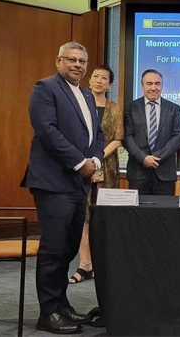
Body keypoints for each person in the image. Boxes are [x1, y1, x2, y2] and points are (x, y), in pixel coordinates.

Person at [23, 42, 103, 334]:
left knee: (68, 248)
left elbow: (97, 133)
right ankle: (48, 313)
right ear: (59, 61)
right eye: (71, 59)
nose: (77, 65)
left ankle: (61, 305)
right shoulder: (45, 88)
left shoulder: (86, 94)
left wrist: (95, 159)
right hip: (53, 182)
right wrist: (80, 163)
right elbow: (47, 131)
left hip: (79, 184)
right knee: (53, 248)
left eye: (82, 61)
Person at [69, 65, 123, 284]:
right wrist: (85, 162)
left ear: (110, 85)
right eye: (96, 77)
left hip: (107, 167)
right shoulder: (78, 104)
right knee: (83, 216)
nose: (99, 81)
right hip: (80, 166)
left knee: (103, 216)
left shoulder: (115, 109)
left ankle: (103, 263)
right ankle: (85, 264)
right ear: (89, 80)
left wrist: (97, 158)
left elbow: (118, 138)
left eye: (104, 78)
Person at [123, 69, 180, 195]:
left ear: (162, 86)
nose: (153, 88)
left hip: (165, 173)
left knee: (164, 208)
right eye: (149, 84)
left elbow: (177, 136)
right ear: (142, 86)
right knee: (137, 208)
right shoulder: (131, 107)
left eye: (157, 84)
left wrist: (156, 157)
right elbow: (127, 136)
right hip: (138, 171)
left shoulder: (173, 108)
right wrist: (143, 158)